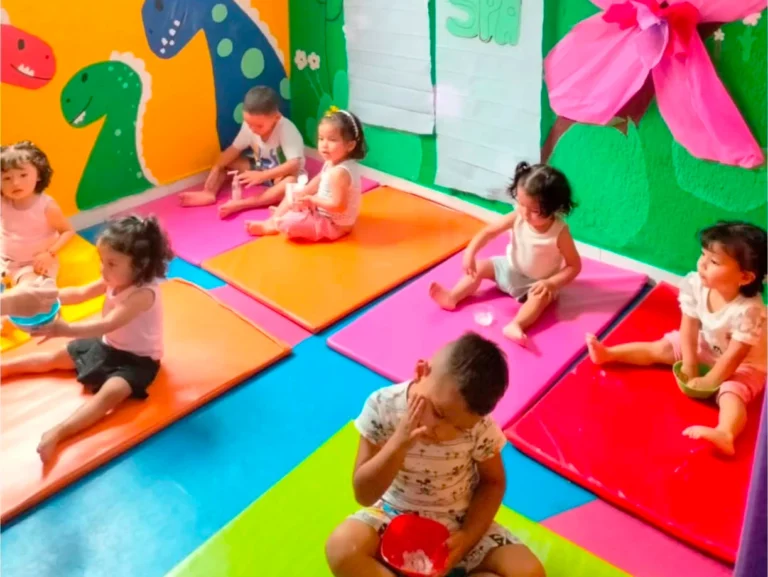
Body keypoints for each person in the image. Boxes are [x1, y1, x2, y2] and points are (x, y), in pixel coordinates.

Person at [325, 332, 545, 577]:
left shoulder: (480, 427)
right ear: (422, 372)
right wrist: (398, 444)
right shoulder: (383, 407)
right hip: (391, 517)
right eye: (439, 413)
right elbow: (363, 493)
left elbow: (493, 483)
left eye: (459, 427)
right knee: (342, 546)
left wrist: (466, 539)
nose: (441, 432)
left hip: (458, 525)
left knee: (529, 572)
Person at [1, 215, 174, 464]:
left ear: (140, 266)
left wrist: (65, 328)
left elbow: (109, 322)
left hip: (137, 361)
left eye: (112, 264)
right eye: (102, 261)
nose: (104, 270)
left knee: (109, 395)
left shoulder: (143, 294)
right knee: (55, 358)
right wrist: (47, 295)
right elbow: (81, 293)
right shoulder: (114, 278)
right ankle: (5, 367)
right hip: (107, 344)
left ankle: (57, 433)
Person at [587, 221, 767, 456]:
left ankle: (725, 432)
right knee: (663, 347)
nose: (702, 263)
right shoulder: (696, 284)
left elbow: (736, 354)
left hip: (746, 363)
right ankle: (609, 353)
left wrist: (710, 380)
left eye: (713, 262)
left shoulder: (750, 311)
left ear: (744, 277)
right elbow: (689, 326)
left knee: (732, 392)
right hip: (711, 345)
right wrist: (691, 364)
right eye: (703, 255)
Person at [430, 162, 581, 346]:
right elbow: (489, 232)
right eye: (520, 203)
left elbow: (574, 265)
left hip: (536, 284)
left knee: (540, 299)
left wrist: (550, 283)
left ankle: (516, 324)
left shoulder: (559, 232)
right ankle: (452, 297)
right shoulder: (518, 215)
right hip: (509, 268)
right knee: (481, 266)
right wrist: (470, 252)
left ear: (554, 209)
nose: (524, 213)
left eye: (534, 211)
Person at [246, 107, 367, 241]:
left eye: (332, 140)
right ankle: (273, 221)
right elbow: (319, 179)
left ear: (350, 146)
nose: (324, 145)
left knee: (289, 223)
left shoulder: (340, 173)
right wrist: (304, 193)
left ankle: (279, 221)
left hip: (334, 225)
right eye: (321, 139)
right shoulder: (333, 162)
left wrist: (313, 200)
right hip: (322, 211)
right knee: (294, 194)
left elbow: (339, 206)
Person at [179, 86, 305, 211]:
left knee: (290, 184)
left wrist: (263, 176)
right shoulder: (250, 127)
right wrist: (215, 170)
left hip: (281, 175)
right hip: (260, 168)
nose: (253, 130)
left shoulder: (287, 129)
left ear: (276, 117)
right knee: (226, 161)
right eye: (249, 124)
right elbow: (232, 151)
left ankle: (244, 204)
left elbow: (294, 164)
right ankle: (209, 194)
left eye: (259, 126)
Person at [1, 141, 74, 287]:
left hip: (35, 264)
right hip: (5, 260)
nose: (15, 183)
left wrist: (49, 253)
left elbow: (68, 231)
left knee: (31, 292)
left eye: (23, 175)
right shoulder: (3, 201)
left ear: (39, 175)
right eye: (7, 178)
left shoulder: (46, 206)